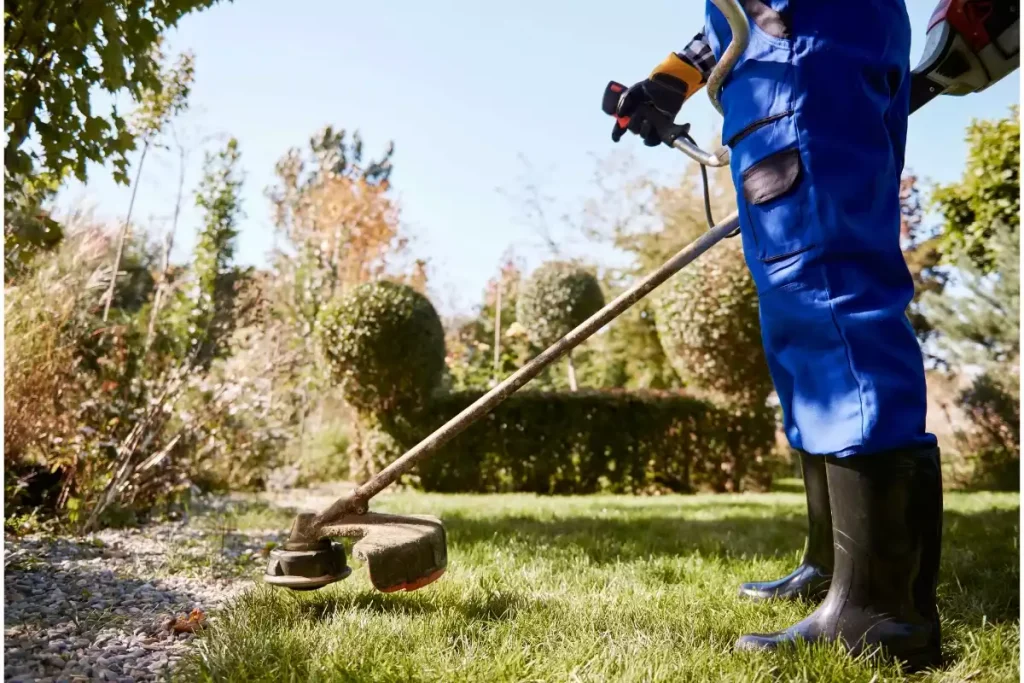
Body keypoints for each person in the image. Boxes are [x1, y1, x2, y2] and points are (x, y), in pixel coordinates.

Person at [612, 0, 943, 669]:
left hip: (803, 46)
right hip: (786, 51)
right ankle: (834, 565)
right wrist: (674, 75)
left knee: (825, 289)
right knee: (798, 314)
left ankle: (881, 607)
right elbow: (729, 19)